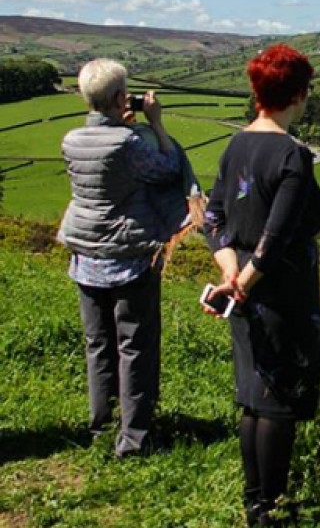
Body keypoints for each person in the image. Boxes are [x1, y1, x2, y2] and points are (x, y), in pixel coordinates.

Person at [202, 44, 320, 526]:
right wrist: (247, 282)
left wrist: (228, 270)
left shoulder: (237, 144)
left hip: (245, 289)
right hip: (281, 292)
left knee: (255, 395)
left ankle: (255, 500)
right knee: (279, 403)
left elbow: (213, 215)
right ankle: (268, 510)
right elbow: (278, 235)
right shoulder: (293, 155)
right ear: (297, 94)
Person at [57, 58, 185, 458]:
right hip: (129, 256)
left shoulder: (71, 140)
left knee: (98, 344)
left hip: (86, 255)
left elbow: (108, 171)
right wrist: (156, 124)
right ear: (119, 97)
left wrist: (122, 122)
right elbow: (167, 169)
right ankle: (135, 438)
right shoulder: (128, 143)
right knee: (136, 346)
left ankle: (102, 424)